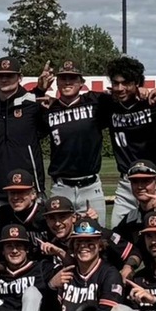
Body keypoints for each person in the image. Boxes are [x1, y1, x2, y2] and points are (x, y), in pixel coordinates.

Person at [103, 56, 156, 226]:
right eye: (116, 83)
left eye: (126, 83)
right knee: (118, 232)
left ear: (137, 83)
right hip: (126, 181)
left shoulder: (154, 101)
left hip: (154, 179)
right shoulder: (107, 104)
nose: (120, 88)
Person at [43, 60, 109, 225]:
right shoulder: (48, 109)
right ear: (56, 82)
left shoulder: (96, 102)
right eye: (63, 78)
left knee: (96, 236)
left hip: (90, 185)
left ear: (81, 83)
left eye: (72, 78)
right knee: (58, 235)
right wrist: (40, 89)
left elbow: (123, 97)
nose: (67, 82)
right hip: (61, 186)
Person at [0, 57, 48, 208]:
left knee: (33, 232)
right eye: (1, 76)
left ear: (20, 78)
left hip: (29, 190)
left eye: (10, 76)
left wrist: (40, 90)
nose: (5, 79)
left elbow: (45, 130)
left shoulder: (32, 103)